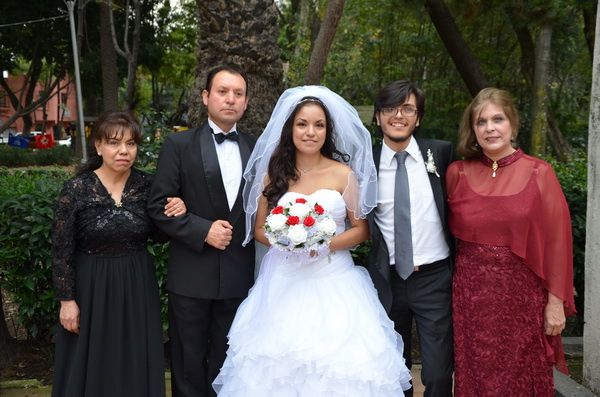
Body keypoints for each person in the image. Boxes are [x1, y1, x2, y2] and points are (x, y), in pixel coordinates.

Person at [212, 85, 412, 396]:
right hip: (282, 282)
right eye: (302, 124)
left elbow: (361, 229)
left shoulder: (344, 174)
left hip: (334, 281)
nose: (310, 132)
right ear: (290, 128)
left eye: (319, 125)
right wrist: (287, 241)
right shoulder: (273, 175)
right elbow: (260, 229)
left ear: (328, 131)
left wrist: (322, 243)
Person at [446, 87, 576, 396]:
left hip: (523, 301)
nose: (490, 128)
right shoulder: (456, 173)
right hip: (471, 299)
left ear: (512, 125)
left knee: (522, 376)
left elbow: (558, 242)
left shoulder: (539, 173)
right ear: (472, 130)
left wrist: (555, 303)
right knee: (474, 374)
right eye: (481, 122)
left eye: (497, 119)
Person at [51, 111, 186, 397]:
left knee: (134, 355)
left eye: (131, 144)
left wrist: (175, 212)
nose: (124, 151)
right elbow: (62, 249)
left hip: (137, 284)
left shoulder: (149, 187)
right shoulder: (75, 190)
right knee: (90, 359)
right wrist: (67, 301)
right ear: (98, 146)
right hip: (90, 288)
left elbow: (160, 236)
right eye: (114, 143)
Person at [147, 65, 256, 397]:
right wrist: (201, 229)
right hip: (192, 275)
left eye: (238, 93)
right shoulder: (178, 145)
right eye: (223, 91)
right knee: (187, 364)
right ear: (206, 97)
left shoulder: (258, 149)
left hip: (240, 276)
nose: (230, 99)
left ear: (246, 101)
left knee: (229, 365)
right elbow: (157, 206)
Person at [367, 80, 455, 397]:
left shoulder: (442, 154)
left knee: (438, 374)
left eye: (408, 108)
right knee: (393, 372)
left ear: (418, 118)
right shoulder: (365, 163)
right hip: (387, 279)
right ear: (378, 117)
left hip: (434, 278)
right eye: (390, 108)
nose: (399, 115)